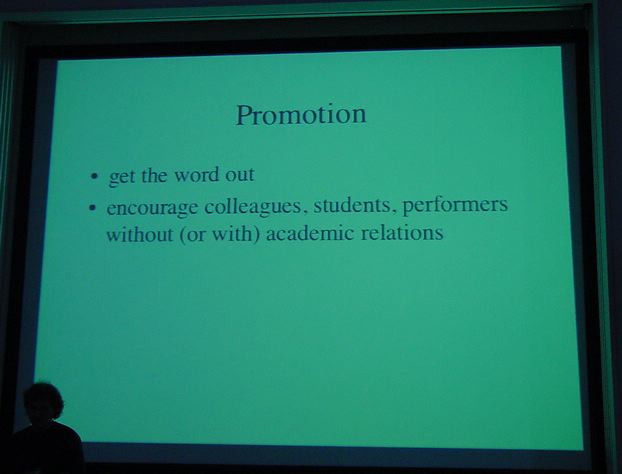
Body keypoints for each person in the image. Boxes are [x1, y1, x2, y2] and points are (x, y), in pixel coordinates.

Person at [8, 382, 85, 474]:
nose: (37, 414)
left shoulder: (68, 438)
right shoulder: (17, 441)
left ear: (55, 410)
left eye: (43, 409)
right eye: (33, 408)